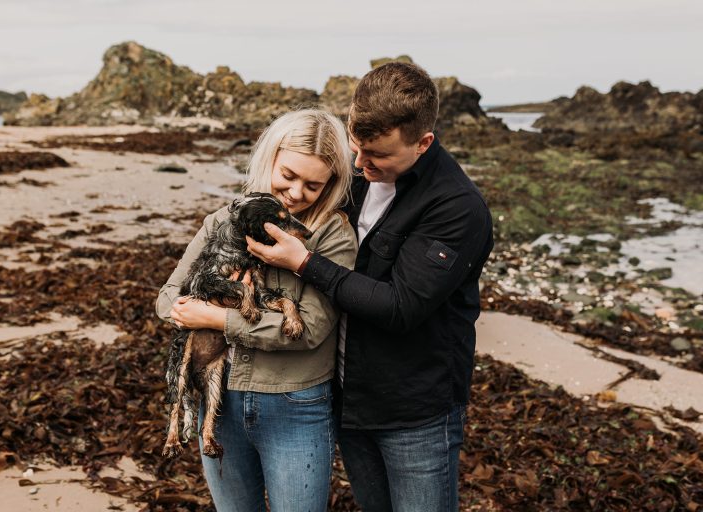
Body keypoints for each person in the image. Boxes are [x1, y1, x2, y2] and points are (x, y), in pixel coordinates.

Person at [246, 63, 494, 511]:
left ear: (423, 143)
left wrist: (304, 262)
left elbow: (400, 307)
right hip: (349, 398)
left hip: (414, 412)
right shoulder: (355, 178)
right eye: (355, 146)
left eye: (377, 155)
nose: (360, 164)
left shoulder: (457, 207)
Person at [155, 109, 357, 512]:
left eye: (313, 185)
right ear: (270, 158)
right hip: (221, 403)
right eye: (288, 175)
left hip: (295, 407)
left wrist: (215, 317)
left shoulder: (331, 235)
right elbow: (167, 298)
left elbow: (308, 330)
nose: (295, 193)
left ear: (331, 183)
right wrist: (205, 303)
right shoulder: (224, 220)